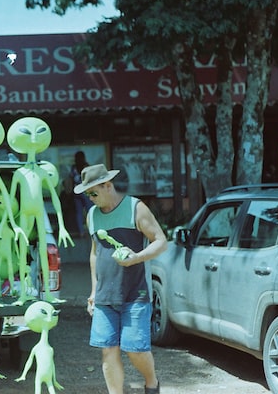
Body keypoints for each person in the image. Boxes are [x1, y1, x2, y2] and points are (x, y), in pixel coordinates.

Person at [74, 164, 167, 394]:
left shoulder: (135, 208)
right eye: (87, 195)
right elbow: (95, 253)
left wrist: (137, 258)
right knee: (108, 349)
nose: (91, 198)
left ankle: (152, 383)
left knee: (135, 349)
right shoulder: (92, 215)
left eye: (93, 193)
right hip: (105, 295)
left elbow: (160, 241)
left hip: (136, 292)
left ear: (108, 185)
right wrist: (94, 291)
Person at [65, 150, 94, 237]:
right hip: (86, 191)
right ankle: (92, 230)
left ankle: (81, 232)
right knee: (90, 211)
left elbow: (70, 178)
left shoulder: (74, 167)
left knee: (79, 213)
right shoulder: (86, 166)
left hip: (76, 191)